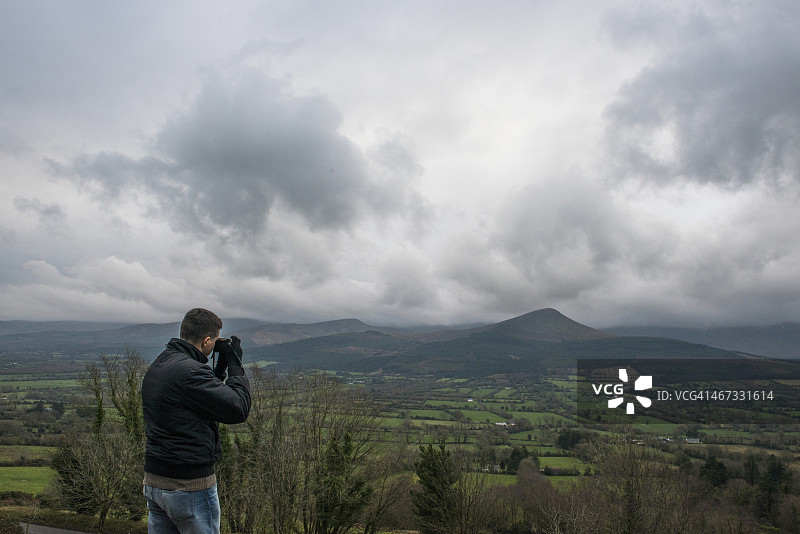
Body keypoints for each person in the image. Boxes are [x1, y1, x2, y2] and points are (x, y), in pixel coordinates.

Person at [141, 308, 251, 534]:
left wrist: (218, 370)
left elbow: (198, 400)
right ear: (206, 340)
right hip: (188, 485)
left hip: (155, 481)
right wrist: (235, 366)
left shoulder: (161, 364)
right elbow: (238, 408)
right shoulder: (191, 373)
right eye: (215, 340)